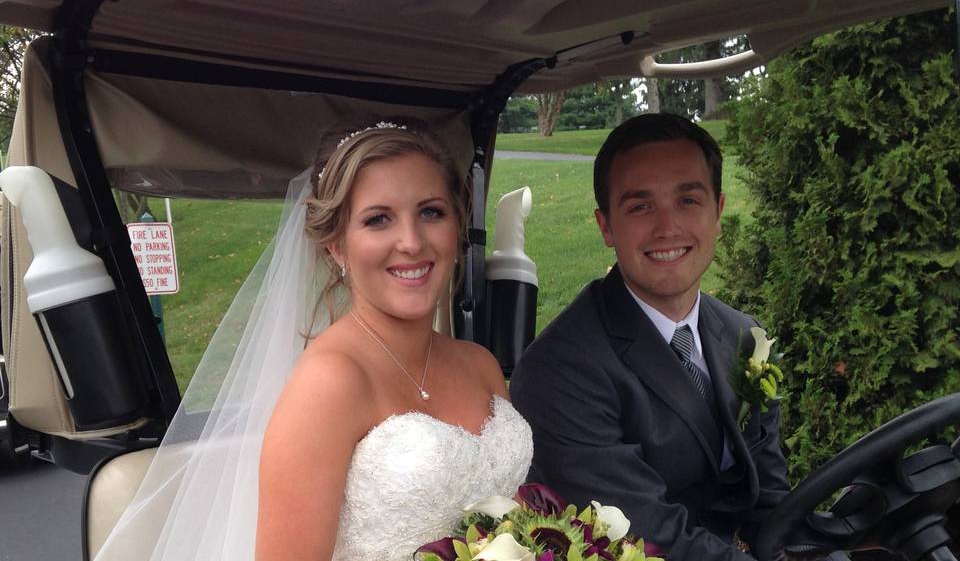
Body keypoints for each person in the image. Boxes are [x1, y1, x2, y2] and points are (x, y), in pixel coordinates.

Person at [94, 120, 532, 561]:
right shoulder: (329, 381)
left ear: (457, 227)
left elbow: (515, 523)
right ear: (336, 246)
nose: (411, 242)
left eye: (431, 212)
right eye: (378, 219)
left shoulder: (481, 365)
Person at [510, 114, 790, 561]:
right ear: (605, 227)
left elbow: (771, 494)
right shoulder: (559, 372)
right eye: (640, 207)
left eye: (688, 201)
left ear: (717, 212)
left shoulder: (743, 334)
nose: (667, 228)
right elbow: (645, 537)